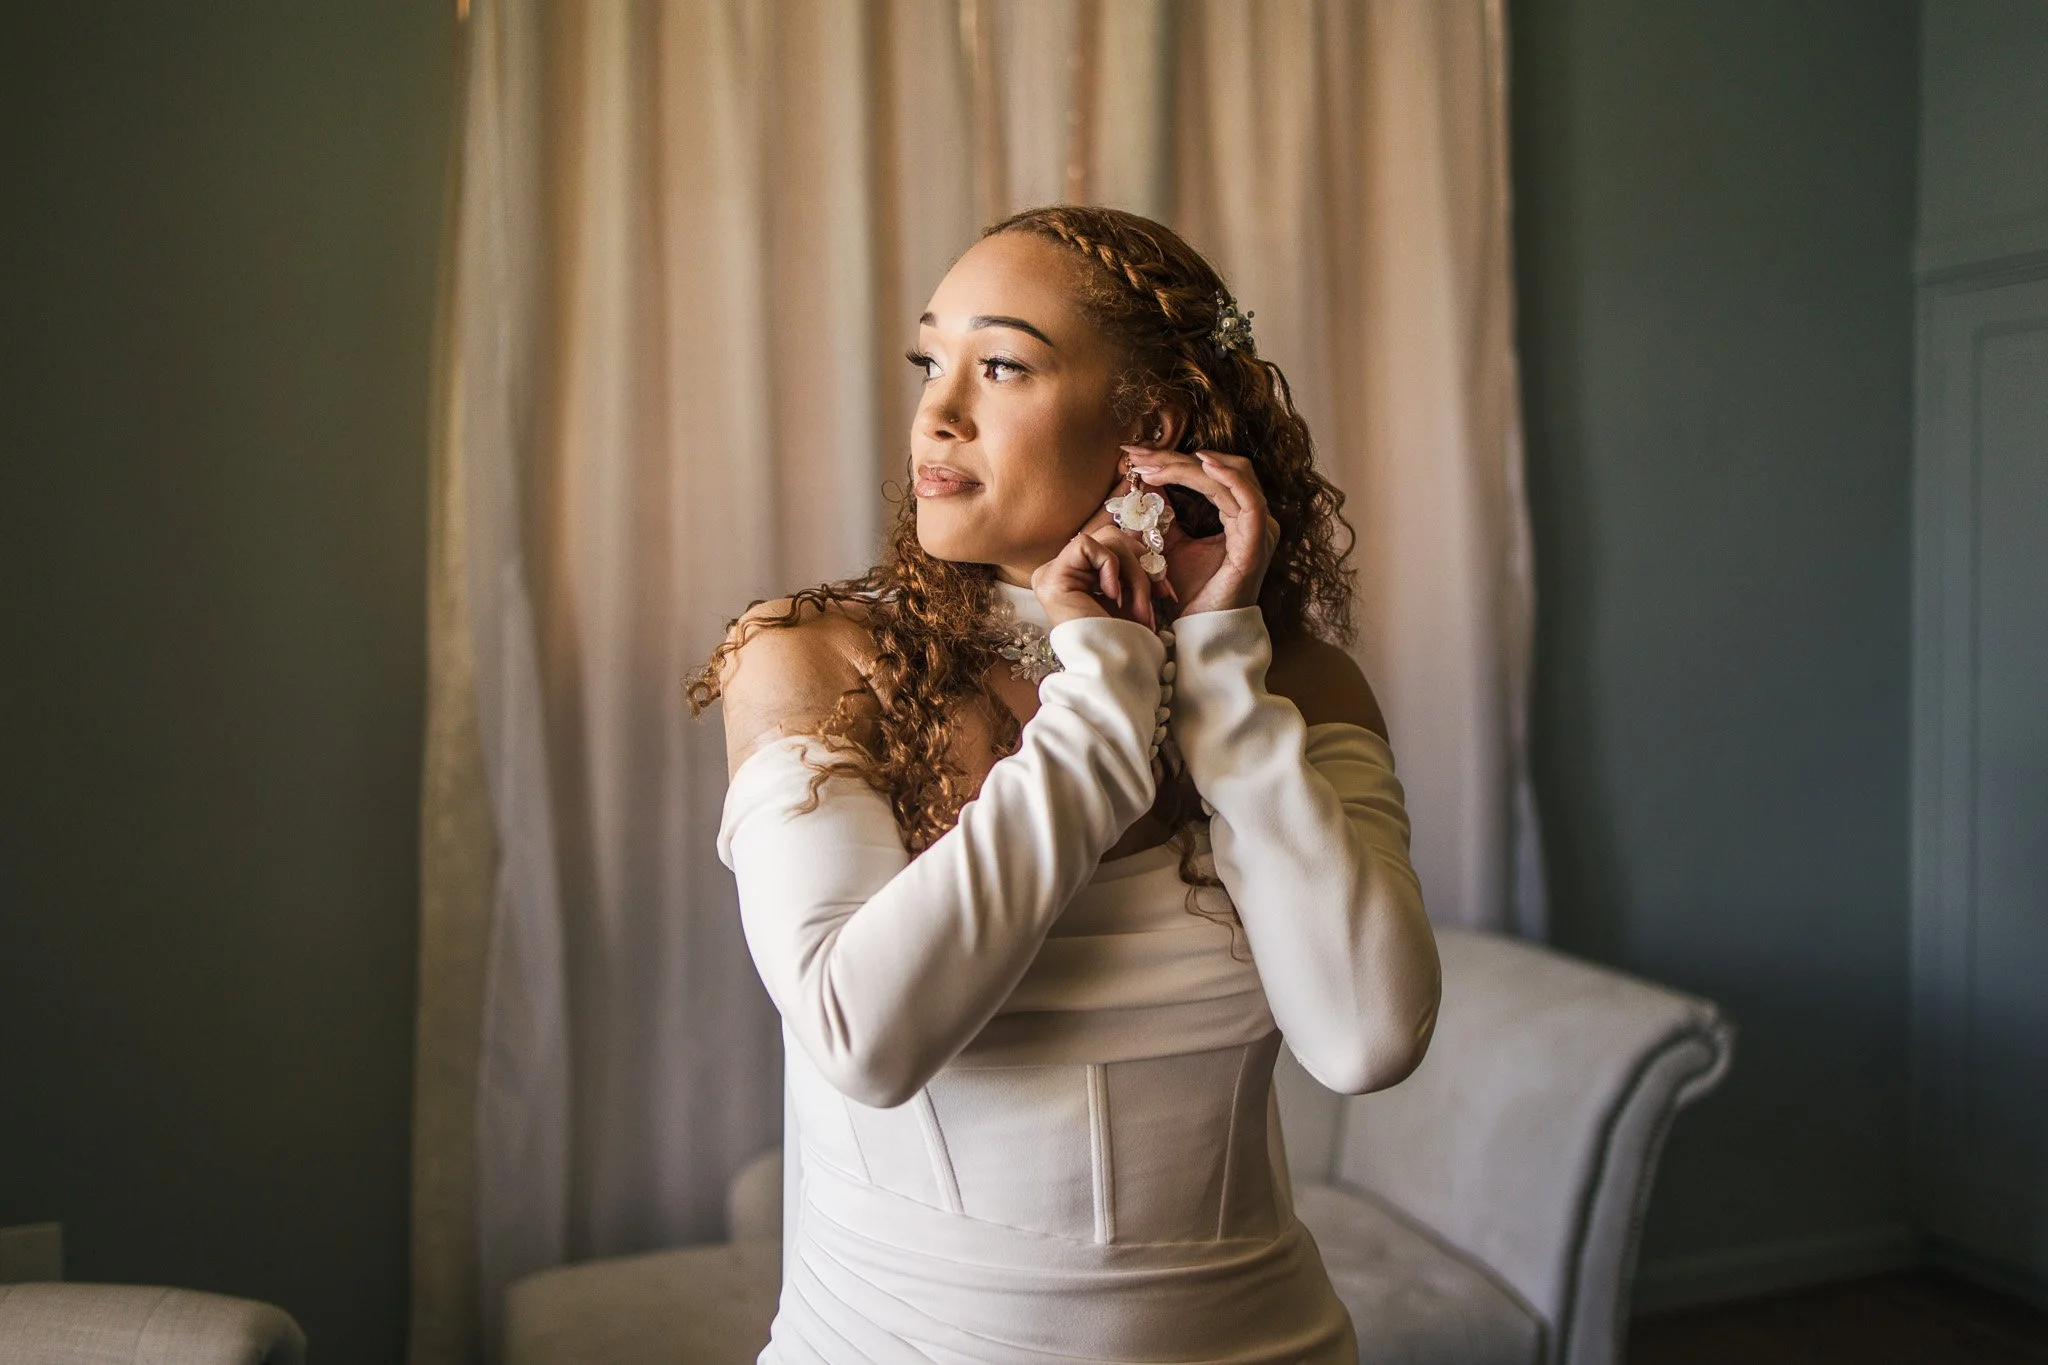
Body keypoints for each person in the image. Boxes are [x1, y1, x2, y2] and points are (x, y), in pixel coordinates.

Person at [686, 204, 1442, 1364]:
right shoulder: (809, 659)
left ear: (1149, 422)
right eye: (928, 361)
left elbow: (1365, 1038)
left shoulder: (1293, 686)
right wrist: (1102, 696)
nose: (935, 414)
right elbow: (863, 1038)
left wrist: (1220, 681)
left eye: (998, 366)